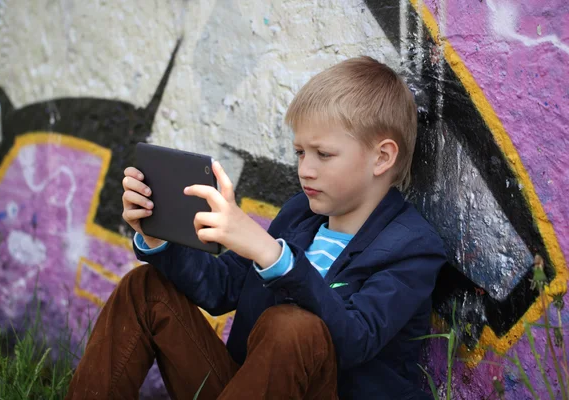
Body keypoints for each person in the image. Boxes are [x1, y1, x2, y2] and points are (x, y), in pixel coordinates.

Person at [66, 56, 447, 400]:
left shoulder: (411, 247)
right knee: (144, 287)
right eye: (300, 152)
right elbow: (220, 289)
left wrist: (272, 255)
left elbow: (355, 341)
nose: (305, 169)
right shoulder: (300, 215)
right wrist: (157, 239)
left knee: (293, 327)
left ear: (382, 157)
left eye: (323, 154)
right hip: (246, 387)